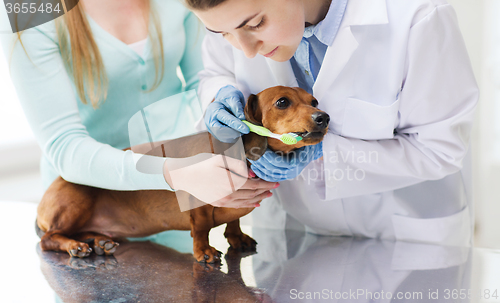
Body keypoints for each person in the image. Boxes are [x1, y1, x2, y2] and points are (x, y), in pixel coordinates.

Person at [186, 0, 479, 246]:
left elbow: (440, 149)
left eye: (256, 24)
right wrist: (219, 95)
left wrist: (321, 152)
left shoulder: (419, 18)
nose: (246, 50)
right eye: (222, 32)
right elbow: (216, 71)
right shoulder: (231, 13)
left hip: (403, 234)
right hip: (291, 230)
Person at [0, 0, 276, 209]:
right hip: (89, 209)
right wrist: (174, 174)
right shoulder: (29, 9)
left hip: (178, 199)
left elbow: (202, 81)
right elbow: (63, 146)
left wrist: (222, 115)